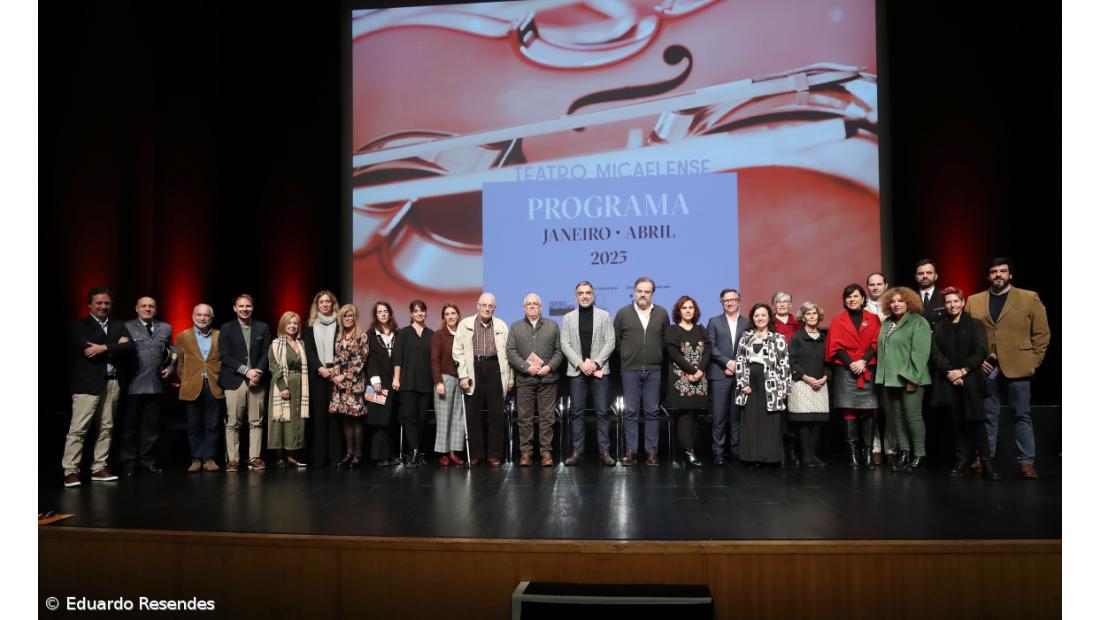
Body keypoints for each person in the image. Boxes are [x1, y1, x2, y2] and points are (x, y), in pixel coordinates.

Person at [967, 257, 1051, 479]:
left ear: (1010, 275)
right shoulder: (974, 300)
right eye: (994, 271)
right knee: (988, 415)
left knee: (1021, 414)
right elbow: (969, 335)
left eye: (1003, 271)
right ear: (988, 276)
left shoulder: (1028, 297)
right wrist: (977, 362)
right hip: (987, 367)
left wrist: (1033, 361)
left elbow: (1042, 333)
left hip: (1019, 365)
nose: (998, 275)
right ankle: (985, 457)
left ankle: (1026, 462)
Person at [63, 287, 134, 487]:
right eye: (99, 303)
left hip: (112, 382)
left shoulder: (118, 324)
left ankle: (99, 467)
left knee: (106, 427)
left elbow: (130, 347)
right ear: (90, 305)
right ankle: (70, 470)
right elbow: (87, 350)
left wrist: (103, 347)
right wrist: (115, 345)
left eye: (106, 303)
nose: (103, 306)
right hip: (87, 384)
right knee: (78, 429)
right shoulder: (79, 326)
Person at [929, 287, 999, 480]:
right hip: (949, 381)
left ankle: (986, 462)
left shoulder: (975, 324)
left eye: (955, 301)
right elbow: (936, 353)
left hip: (971, 380)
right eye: (948, 302)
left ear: (963, 303)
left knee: (977, 421)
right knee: (955, 422)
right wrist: (950, 372)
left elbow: (980, 350)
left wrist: (963, 370)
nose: (952, 305)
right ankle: (962, 460)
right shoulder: (940, 326)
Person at [875, 286, 933, 473]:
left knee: (913, 417)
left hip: (910, 379)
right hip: (891, 380)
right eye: (892, 301)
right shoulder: (887, 323)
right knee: (897, 418)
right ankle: (904, 453)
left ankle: (920, 455)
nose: (896, 304)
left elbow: (921, 353)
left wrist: (913, 378)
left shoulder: (918, 322)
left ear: (909, 303)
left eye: (900, 300)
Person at [613, 277, 670, 466]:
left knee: (652, 411)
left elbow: (665, 339)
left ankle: (651, 452)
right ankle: (631, 452)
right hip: (630, 369)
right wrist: (628, 354)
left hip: (654, 369)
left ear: (652, 293)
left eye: (647, 291)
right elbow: (617, 340)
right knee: (630, 411)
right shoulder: (623, 313)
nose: (643, 294)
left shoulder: (661, 313)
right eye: (639, 291)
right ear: (634, 292)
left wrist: (656, 355)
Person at [453, 293, 514, 467]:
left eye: (490, 306)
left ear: (494, 308)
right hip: (473, 369)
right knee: (473, 415)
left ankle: (494, 455)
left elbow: (508, 355)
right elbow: (457, 351)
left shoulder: (501, 325)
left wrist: (510, 378)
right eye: (484, 305)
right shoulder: (465, 324)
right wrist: (463, 375)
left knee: (496, 415)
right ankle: (475, 454)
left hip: (495, 368)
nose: (487, 308)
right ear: (477, 306)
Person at [825, 284, 881, 470]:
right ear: (844, 300)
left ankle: (867, 454)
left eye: (856, 296)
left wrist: (863, 361)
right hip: (846, 369)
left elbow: (876, 343)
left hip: (867, 367)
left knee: (868, 410)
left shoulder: (873, 319)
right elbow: (835, 347)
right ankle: (853, 455)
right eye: (848, 297)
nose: (852, 299)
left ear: (863, 298)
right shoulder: (837, 320)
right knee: (848, 410)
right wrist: (851, 363)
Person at [560, 281, 616, 466]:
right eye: (581, 293)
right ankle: (577, 452)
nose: (584, 296)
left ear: (593, 295)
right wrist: (580, 364)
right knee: (576, 413)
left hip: (599, 371)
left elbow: (610, 342)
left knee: (602, 412)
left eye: (588, 293)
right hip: (577, 372)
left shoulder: (604, 316)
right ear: (576, 296)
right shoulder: (568, 318)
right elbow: (565, 344)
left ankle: (605, 452)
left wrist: (595, 362)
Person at [119, 296, 174, 477]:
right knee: (130, 427)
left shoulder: (165, 328)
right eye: (144, 306)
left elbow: (172, 351)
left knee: (151, 428)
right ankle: (129, 464)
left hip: (155, 384)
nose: (148, 309)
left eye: (151, 306)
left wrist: (171, 366)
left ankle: (148, 462)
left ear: (156, 309)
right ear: (137, 308)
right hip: (133, 385)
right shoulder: (126, 327)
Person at [506, 293, 563, 467]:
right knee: (525, 419)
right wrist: (526, 367)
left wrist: (548, 367)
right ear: (524, 308)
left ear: (540, 306)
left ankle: (546, 453)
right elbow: (510, 351)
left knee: (547, 419)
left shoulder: (552, 325)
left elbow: (559, 351)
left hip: (547, 379)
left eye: (535, 304)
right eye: (529, 304)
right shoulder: (515, 327)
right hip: (525, 380)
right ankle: (526, 453)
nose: (532, 306)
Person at [218, 294, 272, 472]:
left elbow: (266, 353)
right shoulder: (226, 328)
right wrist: (245, 371)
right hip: (234, 381)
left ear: (252, 307)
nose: (244, 309)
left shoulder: (262, 327)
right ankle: (233, 459)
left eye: (248, 306)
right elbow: (225, 356)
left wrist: (257, 372)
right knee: (233, 422)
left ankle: (254, 458)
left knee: (256, 421)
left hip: (257, 380)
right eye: (241, 306)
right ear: (234, 308)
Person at [734, 304, 791, 465]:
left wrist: (785, 388)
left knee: (770, 419)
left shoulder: (778, 338)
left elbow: (784, 364)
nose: (760, 318)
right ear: (752, 318)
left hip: (772, 382)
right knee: (751, 419)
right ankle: (751, 457)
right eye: (756, 315)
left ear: (769, 318)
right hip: (750, 381)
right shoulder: (746, 337)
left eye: (763, 315)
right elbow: (740, 361)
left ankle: (769, 457)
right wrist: (742, 383)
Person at [664, 296, 712, 467]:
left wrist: (699, 371)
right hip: (681, 379)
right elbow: (674, 354)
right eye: (684, 307)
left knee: (694, 415)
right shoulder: (672, 330)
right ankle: (688, 453)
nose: (688, 310)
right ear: (679, 311)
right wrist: (692, 371)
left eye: (691, 307)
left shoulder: (701, 329)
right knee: (684, 415)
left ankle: (688, 451)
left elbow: (708, 351)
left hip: (699, 379)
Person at [175, 304, 223, 473]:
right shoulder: (182, 337)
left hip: (214, 384)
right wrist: (186, 379)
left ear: (211, 317)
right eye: (199, 315)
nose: (203, 318)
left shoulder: (220, 335)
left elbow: (223, 360)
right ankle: (196, 458)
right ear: (193, 316)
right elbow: (179, 364)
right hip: (191, 385)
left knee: (213, 424)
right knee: (193, 425)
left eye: (206, 315)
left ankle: (209, 458)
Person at [705, 288, 750, 465]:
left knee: (737, 415)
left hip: (741, 375)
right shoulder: (714, 321)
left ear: (739, 301)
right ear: (721, 302)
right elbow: (711, 347)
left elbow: (749, 348)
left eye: (733, 300)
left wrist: (736, 365)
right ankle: (718, 452)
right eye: (726, 300)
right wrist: (727, 363)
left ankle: (736, 451)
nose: (730, 303)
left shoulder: (747, 323)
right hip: (719, 374)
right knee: (719, 416)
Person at [303, 290, 343, 467]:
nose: (325, 304)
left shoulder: (341, 324)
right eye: (322, 302)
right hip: (318, 376)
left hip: (336, 375)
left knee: (335, 417)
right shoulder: (310, 325)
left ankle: (335, 457)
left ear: (333, 304)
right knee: (319, 418)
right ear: (316, 305)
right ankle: (319, 457)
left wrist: (336, 369)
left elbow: (344, 349)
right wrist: (320, 369)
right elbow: (309, 351)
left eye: (328, 302)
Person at [787, 301, 829, 467]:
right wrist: (806, 378)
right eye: (808, 314)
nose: (812, 316)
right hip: (802, 383)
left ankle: (814, 456)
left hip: (821, 383)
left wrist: (825, 376)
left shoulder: (824, 337)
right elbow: (792, 360)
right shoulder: (797, 337)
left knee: (817, 420)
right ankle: (806, 456)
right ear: (803, 317)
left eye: (814, 313)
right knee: (805, 421)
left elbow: (829, 361)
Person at [393, 300, 435, 466]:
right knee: (409, 418)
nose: (419, 313)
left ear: (426, 312)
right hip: (407, 382)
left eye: (422, 311)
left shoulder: (431, 334)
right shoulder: (403, 333)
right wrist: (396, 378)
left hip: (425, 383)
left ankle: (415, 451)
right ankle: (416, 450)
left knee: (422, 419)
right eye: (416, 311)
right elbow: (397, 358)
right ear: (411, 313)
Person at [267, 311, 309, 468]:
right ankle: (279, 457)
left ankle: (292, 455)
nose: (292, 326)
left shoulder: (301, 344)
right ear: (283, 325)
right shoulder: (276, 344)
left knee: (294, 420)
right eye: (289, 323)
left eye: (295, 323)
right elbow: (273, 367)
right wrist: (283, 387)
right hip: (282, 385)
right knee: (281, 420)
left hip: (299, 385)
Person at [330, 304, 369, 467]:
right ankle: (349, 453)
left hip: (355, 384)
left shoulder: (362, 336)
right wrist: (335, 376)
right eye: (345, 316)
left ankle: (358, 455)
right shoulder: (339, 336)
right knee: (345, 419)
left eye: (350, 316)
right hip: (339, 385)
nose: (347, 319)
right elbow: (337, 358)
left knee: (356, 420)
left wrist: (344, 376)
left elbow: (361, 360)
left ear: (355, 318)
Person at [865, 272, 896, 466]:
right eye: (872, 284)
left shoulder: (895, 306)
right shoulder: (861, 308)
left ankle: (891, 448)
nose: (875, 287)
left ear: (886, 285)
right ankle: (875, 447)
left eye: (879, 284)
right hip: (870, 364)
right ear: (867, 287)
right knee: (872, 409)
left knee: (891, 408)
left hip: (892, 364)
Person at [367, 301, 401, 466]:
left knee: (390, 420)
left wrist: (397, 378)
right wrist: (375, 381)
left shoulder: (398, 333)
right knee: (378, 420)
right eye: (379, 311)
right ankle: (378, 456)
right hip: (377, 383)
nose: (383, 314)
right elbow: (370, 360)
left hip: (393, 382)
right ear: (375, 315)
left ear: (390, 313)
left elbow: (400, 359)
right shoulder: (370, 335)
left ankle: (388, 455)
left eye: (385, 311)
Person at [431, 304, 465, 466]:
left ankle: (453, 452)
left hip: (461, 379)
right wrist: (438, 381)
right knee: (444, 418)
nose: (450, 316)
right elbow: (434, 361)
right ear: (443, 317)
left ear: (458, 315)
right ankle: (443, 453)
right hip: (444, 379)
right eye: (447, 314)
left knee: (458, 418)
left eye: (453, 313)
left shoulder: (464, 334)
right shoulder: (439, 335)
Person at [915, 259, 947, 325]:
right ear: (916, 277)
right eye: (920, 273)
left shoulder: (945, 296)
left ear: (936, 276)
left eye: (929, 273)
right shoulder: (909, 298)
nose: (925, 276)